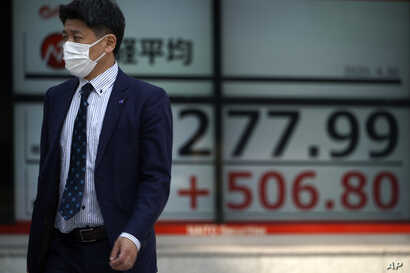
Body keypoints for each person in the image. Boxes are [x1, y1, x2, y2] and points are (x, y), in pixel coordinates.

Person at [26, 0, 173, 272]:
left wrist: (133, 235)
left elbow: (156, 179)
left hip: (115, 248)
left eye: (77, 37)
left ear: (108, 43)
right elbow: (49, 176)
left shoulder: (148, 100)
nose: (67, 45)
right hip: (59, 251)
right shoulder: (56, 98)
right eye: (65, 36)